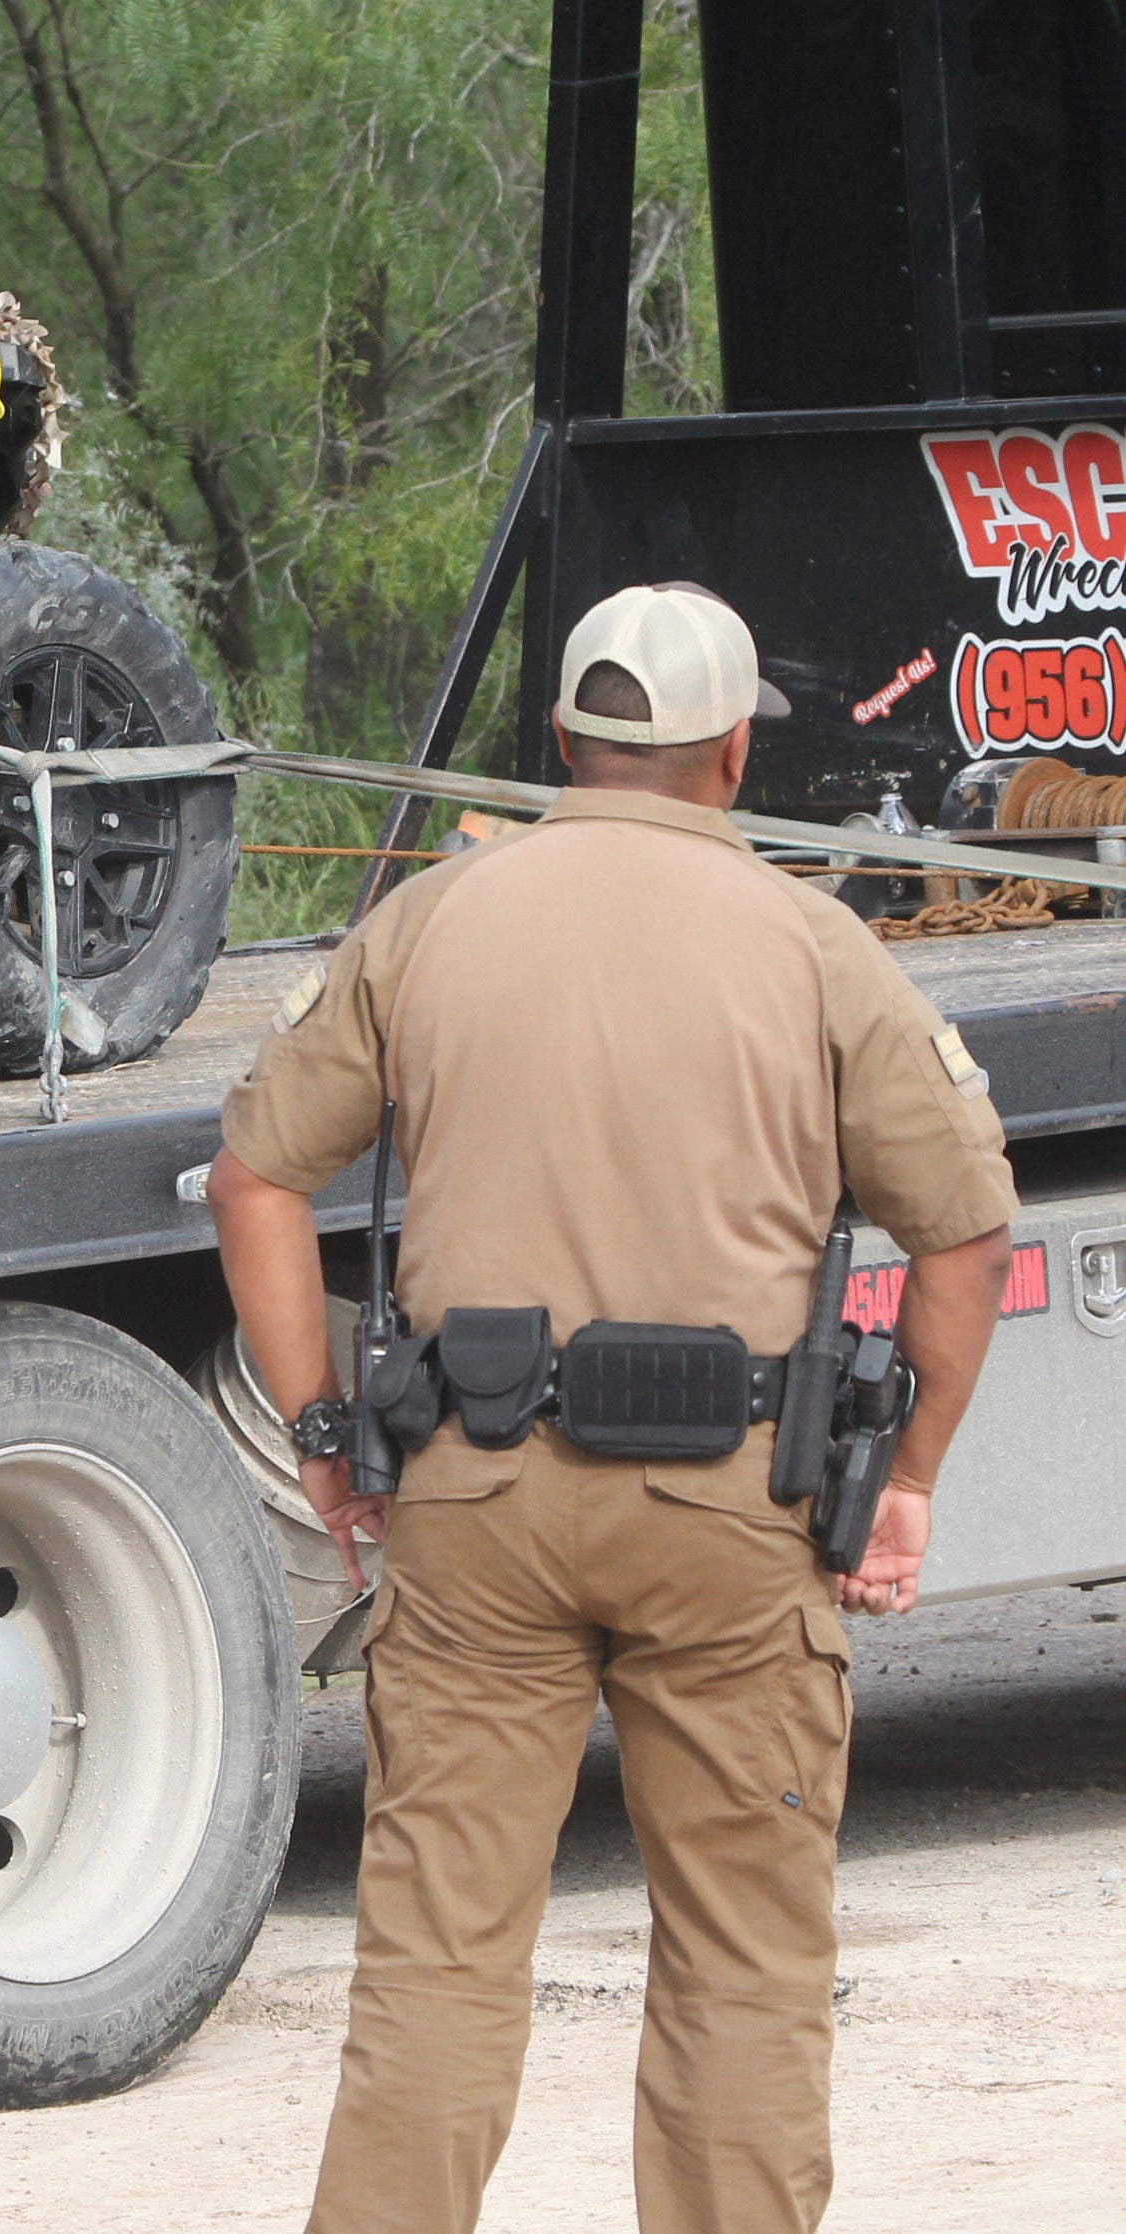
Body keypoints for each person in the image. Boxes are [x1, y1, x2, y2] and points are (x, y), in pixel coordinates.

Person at [207, 582, 1018, 2234]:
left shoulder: (434, 915)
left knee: (436, 1963)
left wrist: (319, 1439)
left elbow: (257, 1177)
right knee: (741, 1964)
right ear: (732, 755)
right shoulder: (813, 942)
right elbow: (966, 1227)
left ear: (567, 740)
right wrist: (911, 1472)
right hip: (733, 1511)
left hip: (475, 1501)